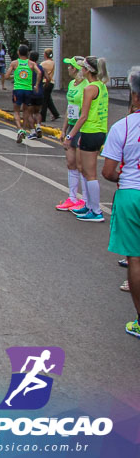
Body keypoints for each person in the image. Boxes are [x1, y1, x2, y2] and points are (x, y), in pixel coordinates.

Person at [101, 66, 140, 339]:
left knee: (135, 260)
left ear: (135, 96)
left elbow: (108, 171)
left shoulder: (123, 126)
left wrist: (121, 177)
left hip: (131, 194)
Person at [63, 56, 109, 223]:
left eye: (83, 67)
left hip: (90, 130)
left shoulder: (90, 89)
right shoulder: (101, 86)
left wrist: (70, 135)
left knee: (90, 173)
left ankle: (96, 210)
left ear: (88, 70)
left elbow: (83, 116)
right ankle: (89, 205)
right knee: (84, 169)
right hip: (99, 130)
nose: (81, 70)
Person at [56, 57, 90, 212]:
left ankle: (85, 200)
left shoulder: (87, 86)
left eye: (70, 66)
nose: (67, 68)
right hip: (71, 125)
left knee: (81, 165)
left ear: (76, 68)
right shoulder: (71, 84)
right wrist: (64, 129)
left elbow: (86, 110)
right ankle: (72, 197)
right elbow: (70, 108)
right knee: (71, 163)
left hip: (82, 127)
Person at [5, 44, 41, 144]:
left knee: (16, 111)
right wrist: (37, 85)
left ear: (18, 52)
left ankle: (19, 129)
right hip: (28, 89)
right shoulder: (31, 63)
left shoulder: (14, 63)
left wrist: (14, 76)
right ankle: (24, 129)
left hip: (18, 89)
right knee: (26, 111)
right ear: (27, 53)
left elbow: (7, 76)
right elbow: (39, 73)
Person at [40, 49, 60, 123]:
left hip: (45, 82)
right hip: (51, 82)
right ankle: (55, 114)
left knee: (44, 101)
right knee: (48, 100)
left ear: (45, 54)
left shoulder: (44, 63)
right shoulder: (52, 62)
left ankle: (42, 117)